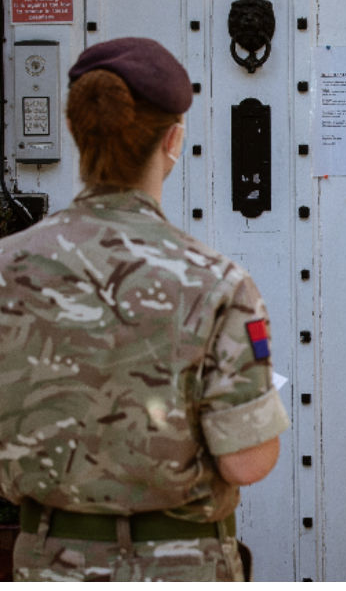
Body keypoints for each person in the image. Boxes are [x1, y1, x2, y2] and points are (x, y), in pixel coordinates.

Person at [0, 37, 291, 582]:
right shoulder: (217, 283)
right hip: (182, 565)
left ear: (77, 133)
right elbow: (246, 462)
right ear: (173, 140)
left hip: (47, 564)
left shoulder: (7, 268)